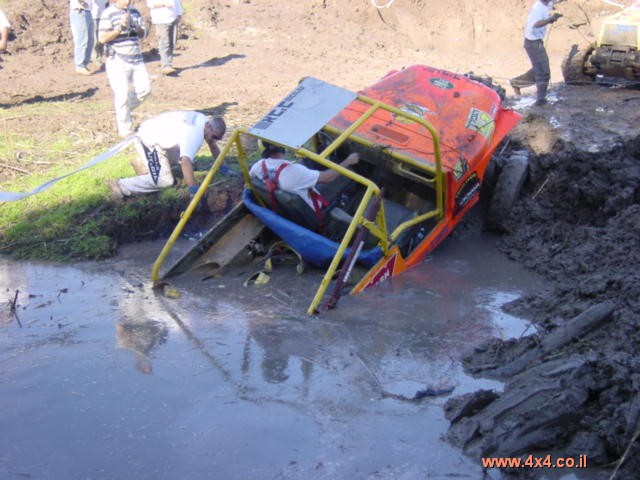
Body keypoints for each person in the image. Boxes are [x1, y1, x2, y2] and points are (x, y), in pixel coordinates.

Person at [110, 111, 226, 197]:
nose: (214, 140)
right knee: (165, 181)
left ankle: (146, 163)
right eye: (215, 136)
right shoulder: (195, 134)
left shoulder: (203, 120)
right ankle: (122, 185)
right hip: (148, 140)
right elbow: (185, 162)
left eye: (218, 139)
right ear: (208, 127)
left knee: (190, 162)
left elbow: (211, 144)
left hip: (161, 137)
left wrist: (223, 167)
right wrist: (193, 191)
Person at [249, 142, 360, 211]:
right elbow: (327, 178)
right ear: (281, 148)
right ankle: (357, 194)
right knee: (346, 174)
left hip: (288, 208)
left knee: (307, 163)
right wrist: (348, 161)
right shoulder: (294, 171)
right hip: (316, 208)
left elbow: (250, 179)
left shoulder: (258, 166)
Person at [99, 0, 152, 137]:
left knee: (145, 90)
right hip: (117, 59)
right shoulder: (108, 13)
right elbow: (102, 38)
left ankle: (123, 112)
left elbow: (143, 34)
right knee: (122, 94)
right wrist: (119, 29)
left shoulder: (134, 12)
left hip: (136, 58)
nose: (128, 1)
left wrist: (135, 26)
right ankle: (125, 130)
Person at [510, 0, 562, 106]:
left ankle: (517, 83)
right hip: (533, 43)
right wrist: (550, 19)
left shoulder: (547, 3)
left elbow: (555, 1)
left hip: (536, 42)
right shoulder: (537, 8)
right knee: (543, 71)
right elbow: (536, 24)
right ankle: (540, 100)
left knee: (539, 68)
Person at [147, 0, 183, 75]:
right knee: (164, 42)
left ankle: (169, 64)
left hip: (173, 17)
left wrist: (179, 13)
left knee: (172, 42)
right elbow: (150, 4)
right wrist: (164, 4)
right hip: (161, 19)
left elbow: (177, 2)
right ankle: (165, 66)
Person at [69, 0, 95, 75]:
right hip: (79, 11)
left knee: (90, 40)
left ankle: (84, 64)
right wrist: (81, 1)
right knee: (82, 39)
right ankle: (79, 66)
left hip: (88, 12)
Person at [91, 0, 107, 65]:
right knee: (95, 38)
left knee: (102, 38)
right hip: (94, 15)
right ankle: (96, 58)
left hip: (103, 15)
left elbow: (106, 3)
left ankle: (99, 57)